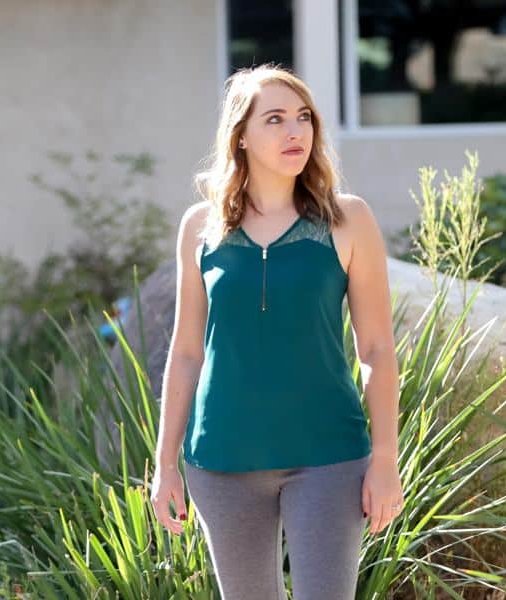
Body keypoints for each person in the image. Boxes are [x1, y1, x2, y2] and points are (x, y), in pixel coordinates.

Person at [150, 63, 404, 600]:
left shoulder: (348, 220)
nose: (296, 132)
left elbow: (377, 349)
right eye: (275, 119)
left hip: (328, 456)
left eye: (303, 117)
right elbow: (188, 350)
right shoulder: (200, 227)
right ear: (240, 136)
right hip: (222, 458)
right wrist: (164, 464)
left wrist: (385, 460)